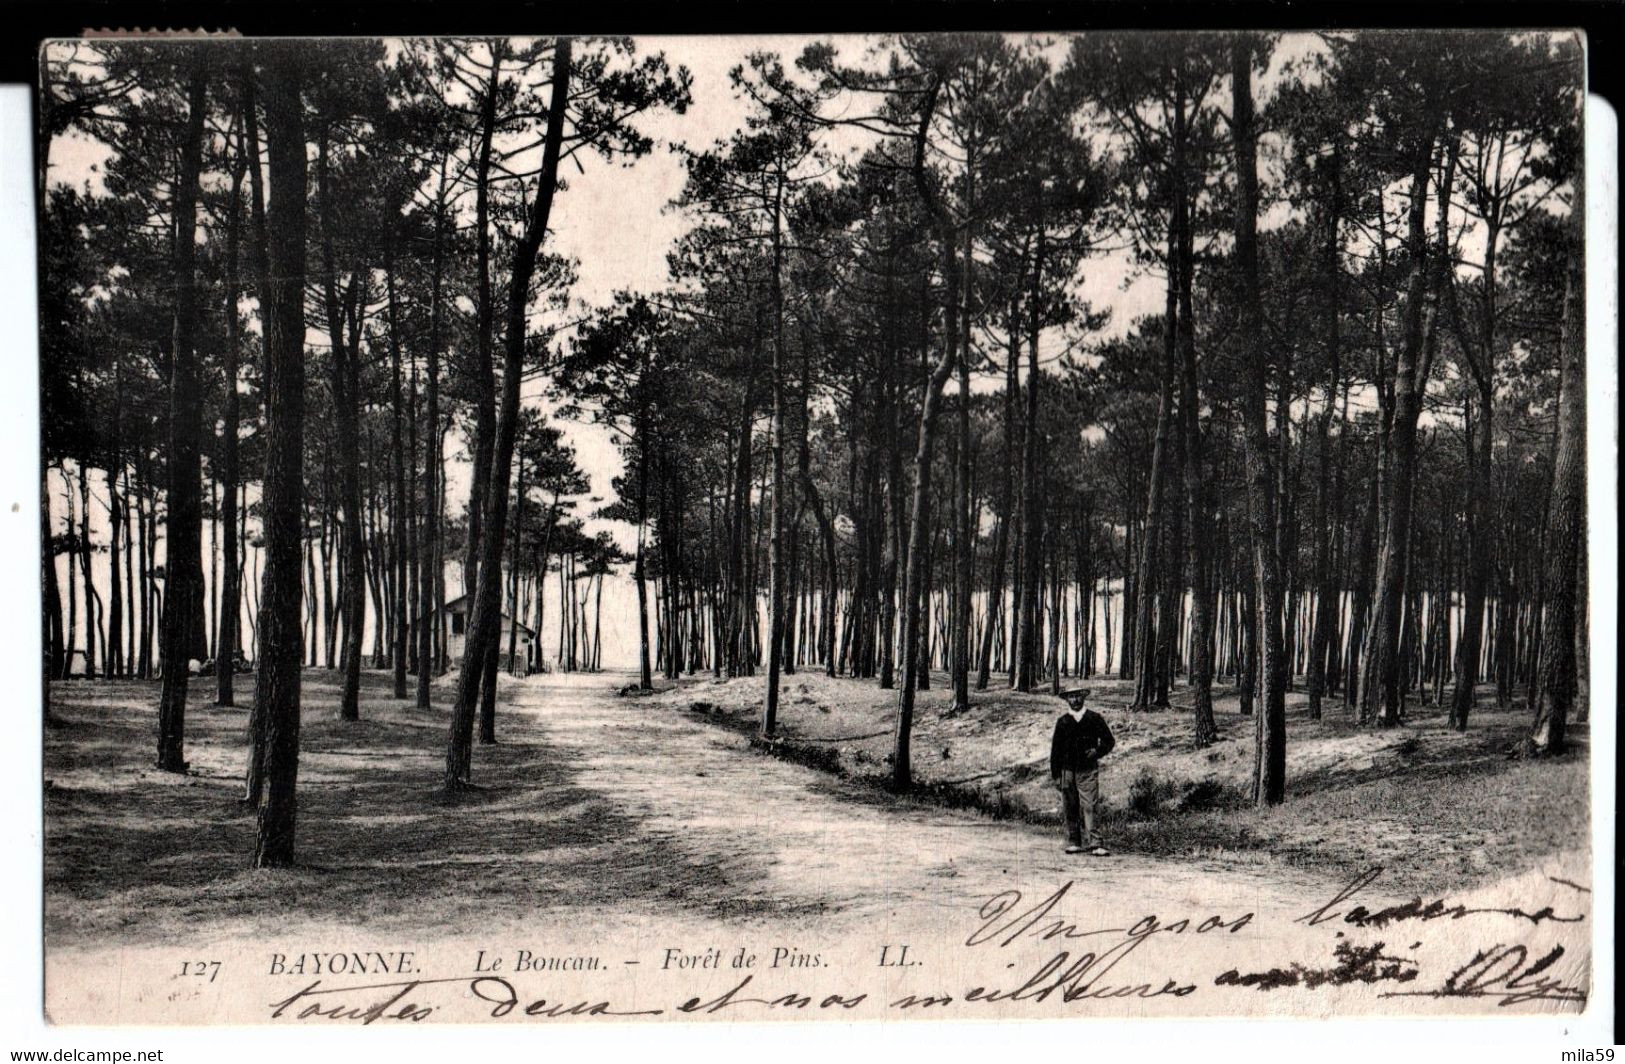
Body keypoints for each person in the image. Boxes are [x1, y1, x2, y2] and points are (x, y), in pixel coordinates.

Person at [1049, 687, 1115, 856]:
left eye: (1078, 696)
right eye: (1072, 696)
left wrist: (1097, 751)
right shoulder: (1062, 721)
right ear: (1067, 700)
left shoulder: (1094, 718)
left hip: (1088, 769)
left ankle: (1095, 843)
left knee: (1090, 805)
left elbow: (1109, 741)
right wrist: (1056, 775)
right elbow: (1055, 751)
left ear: (1084, 697)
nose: (1076, 700)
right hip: (1067, 770)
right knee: (1070, 805)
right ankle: (1074, 841)